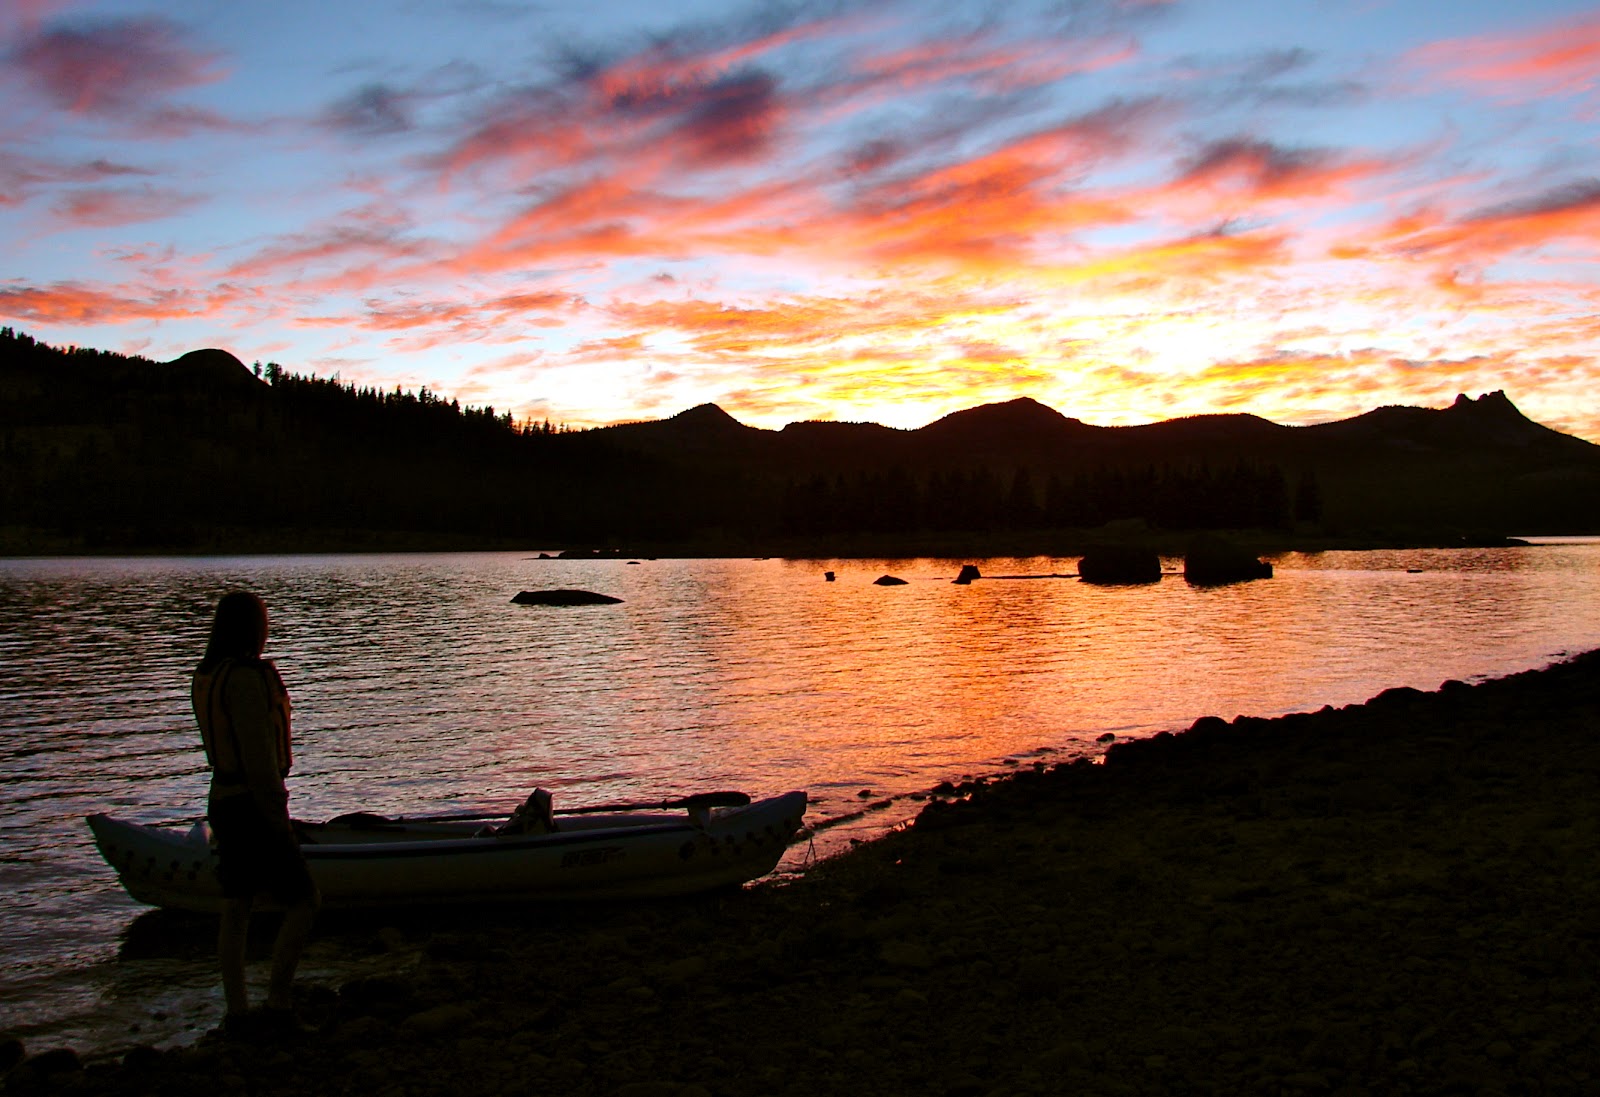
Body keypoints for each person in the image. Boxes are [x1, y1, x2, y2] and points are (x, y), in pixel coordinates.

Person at [192, 591, 320, 1037]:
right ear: (252, 628)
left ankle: (238, 1013)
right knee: (304, 901)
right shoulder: (245, 679)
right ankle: (278, 1006)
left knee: (236, 906)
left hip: (222, 800)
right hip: (250, 803)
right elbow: (259, 758)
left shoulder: (209, 673)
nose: (267, 630)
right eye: (264, 622)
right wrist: (278, 813)